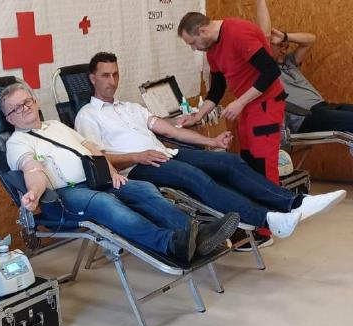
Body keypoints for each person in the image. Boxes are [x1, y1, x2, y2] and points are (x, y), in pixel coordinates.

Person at [74, 52, 346, 248]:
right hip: (138, 167)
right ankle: (266, 219)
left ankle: (295, 202)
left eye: (116, 74)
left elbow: (172, 131)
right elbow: (97, 159)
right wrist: (137, 156)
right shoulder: (87, 116)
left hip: (166, 154)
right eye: (105, 75)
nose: (112, 81)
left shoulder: (131, 107)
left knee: (229, 162)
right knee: (196, 178)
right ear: (92, 78)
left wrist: (211, 142)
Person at [1, 83, 239, 264]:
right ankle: (169, 243)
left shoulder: (55, 125)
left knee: (143, 189)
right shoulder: (17, 142)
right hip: (63, 197)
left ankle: (198, 236)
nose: (25, 108)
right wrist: (34, 192)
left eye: (27, 102)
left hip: (96, 180)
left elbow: (91, 148)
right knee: (105, 203)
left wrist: (112, 171)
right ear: (9, 118)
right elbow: (32, 169)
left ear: (35, 102)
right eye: (16, 108)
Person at [177, 12, 286, 185]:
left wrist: (240, 102)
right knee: (248, 159)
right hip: (247, 106)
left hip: (266, 103)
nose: (194, 48)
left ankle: (276, 200)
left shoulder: (238, 33)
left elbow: (271, 71)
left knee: (263, 163)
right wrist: (197, 116)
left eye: (192, 43)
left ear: (203, 31)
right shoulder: (211, 50)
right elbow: (217, 89)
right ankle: (255, 201)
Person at [256, 0, 353, 134]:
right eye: (279, 45)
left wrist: (285, 36)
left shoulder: (290, 61)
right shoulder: (264, 69)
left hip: (324, 107)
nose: (284, 49)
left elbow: (310, 40)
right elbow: (264, 36)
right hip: (305, 116)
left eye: (285, 46)